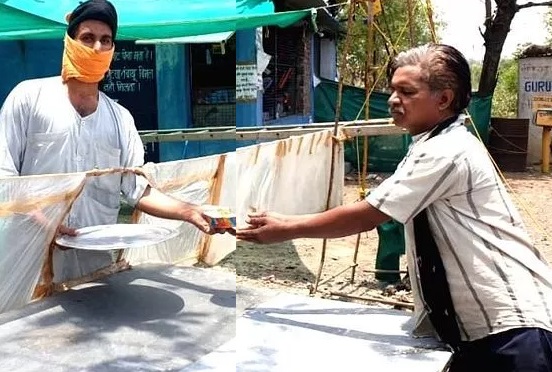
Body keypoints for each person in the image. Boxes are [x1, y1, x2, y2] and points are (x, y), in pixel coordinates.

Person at [237, 43, 552, 371]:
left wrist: (286, 227)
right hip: (484, 329)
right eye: (392, 89)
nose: (392, 99)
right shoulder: (433, 143)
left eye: (407, 91)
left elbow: (369, 214)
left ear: (444, 99)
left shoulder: (447, 150)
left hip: (514, 329)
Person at [0, 0, 232, 283]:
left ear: (112, 50)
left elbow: (137, 190)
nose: (96, 48)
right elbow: (5, 175)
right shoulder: (29, 98)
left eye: (105, 40)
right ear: (69, 42)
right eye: (87, 38)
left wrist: (189, 211)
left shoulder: (120, 119)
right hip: (28, 259)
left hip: (92, 265)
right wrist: (45, 222)